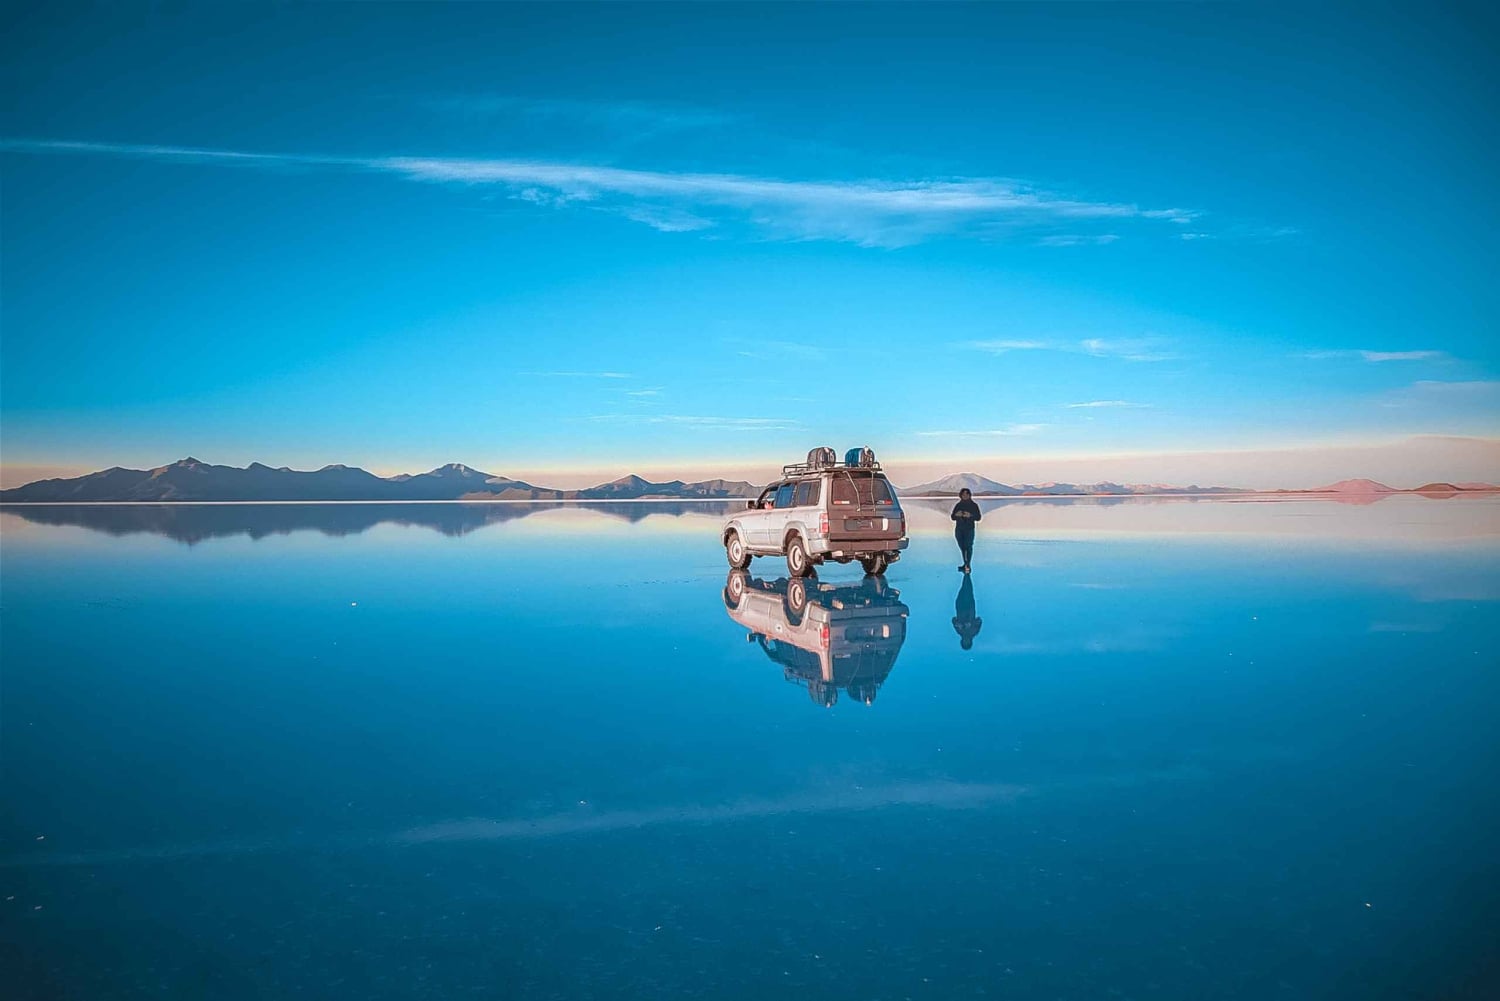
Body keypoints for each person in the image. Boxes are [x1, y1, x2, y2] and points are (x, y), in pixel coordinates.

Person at [950, 487, 981, 572]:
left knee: (968, 546)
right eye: (963, 494)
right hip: (959, 529)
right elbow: (952, 517)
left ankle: (968, 564)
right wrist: (957, 515)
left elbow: (978, 517)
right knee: (962, 547)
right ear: (961, 495)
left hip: (969, 529)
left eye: (967, 494)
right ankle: (965, 563)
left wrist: (970, 515)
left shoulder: (974, 505)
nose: (965, 495)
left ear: (969, 495)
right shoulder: (958, 505)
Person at [952, 573, 983, 650]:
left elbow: (953, 620)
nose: (966, 640)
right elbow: (979, 620)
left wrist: (958, 624)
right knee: (967, 589)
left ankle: (966, 573)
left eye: (964, 642)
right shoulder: (974, 631)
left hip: (960, 607)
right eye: (967, 642)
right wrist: (971, 623)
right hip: (969, 607)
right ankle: (967, 573)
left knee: (963, 589)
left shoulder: (959, 631)